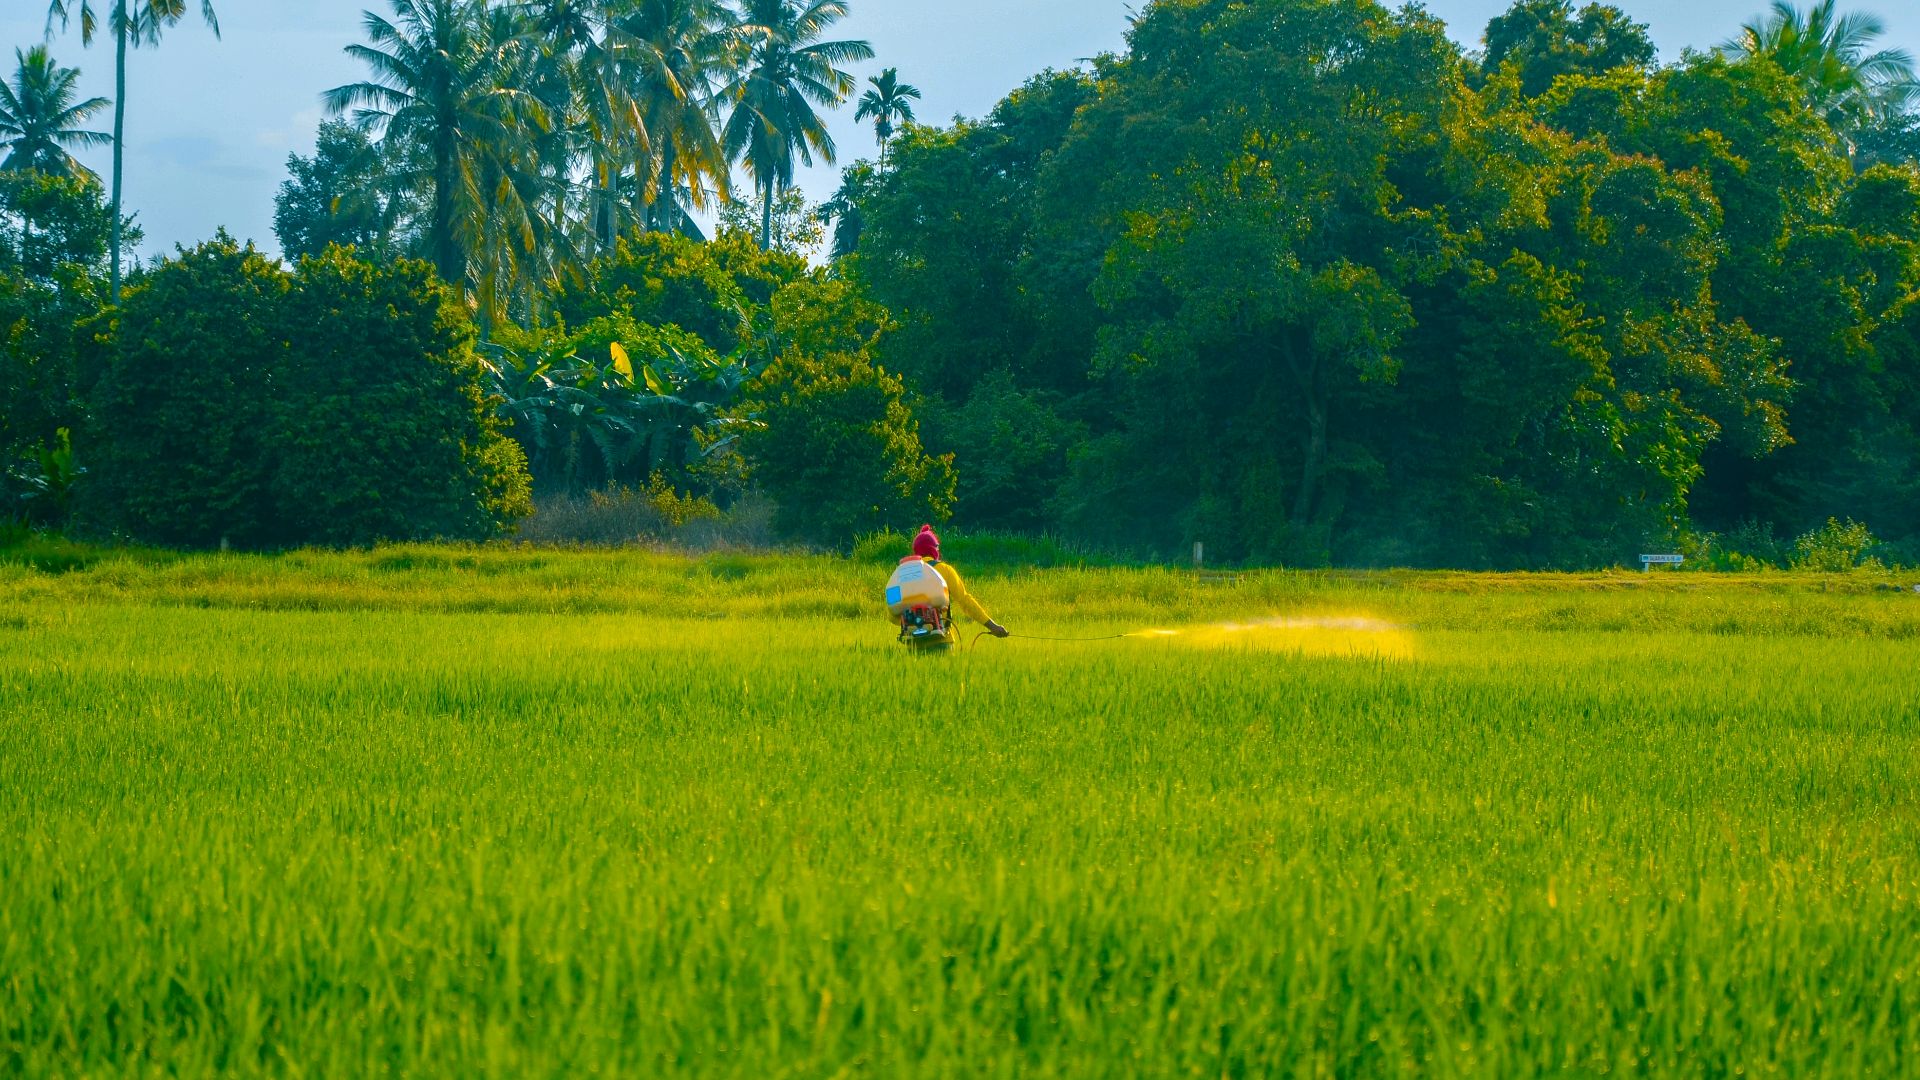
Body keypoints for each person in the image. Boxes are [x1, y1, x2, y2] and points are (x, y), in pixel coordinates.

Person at [907, 524, 1008, 645]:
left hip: (913, 642)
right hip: (941, 639)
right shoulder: (945, 570)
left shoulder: (906, 574)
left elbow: (893, 614)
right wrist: (993, 626)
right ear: (933, 549)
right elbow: (965, 600)